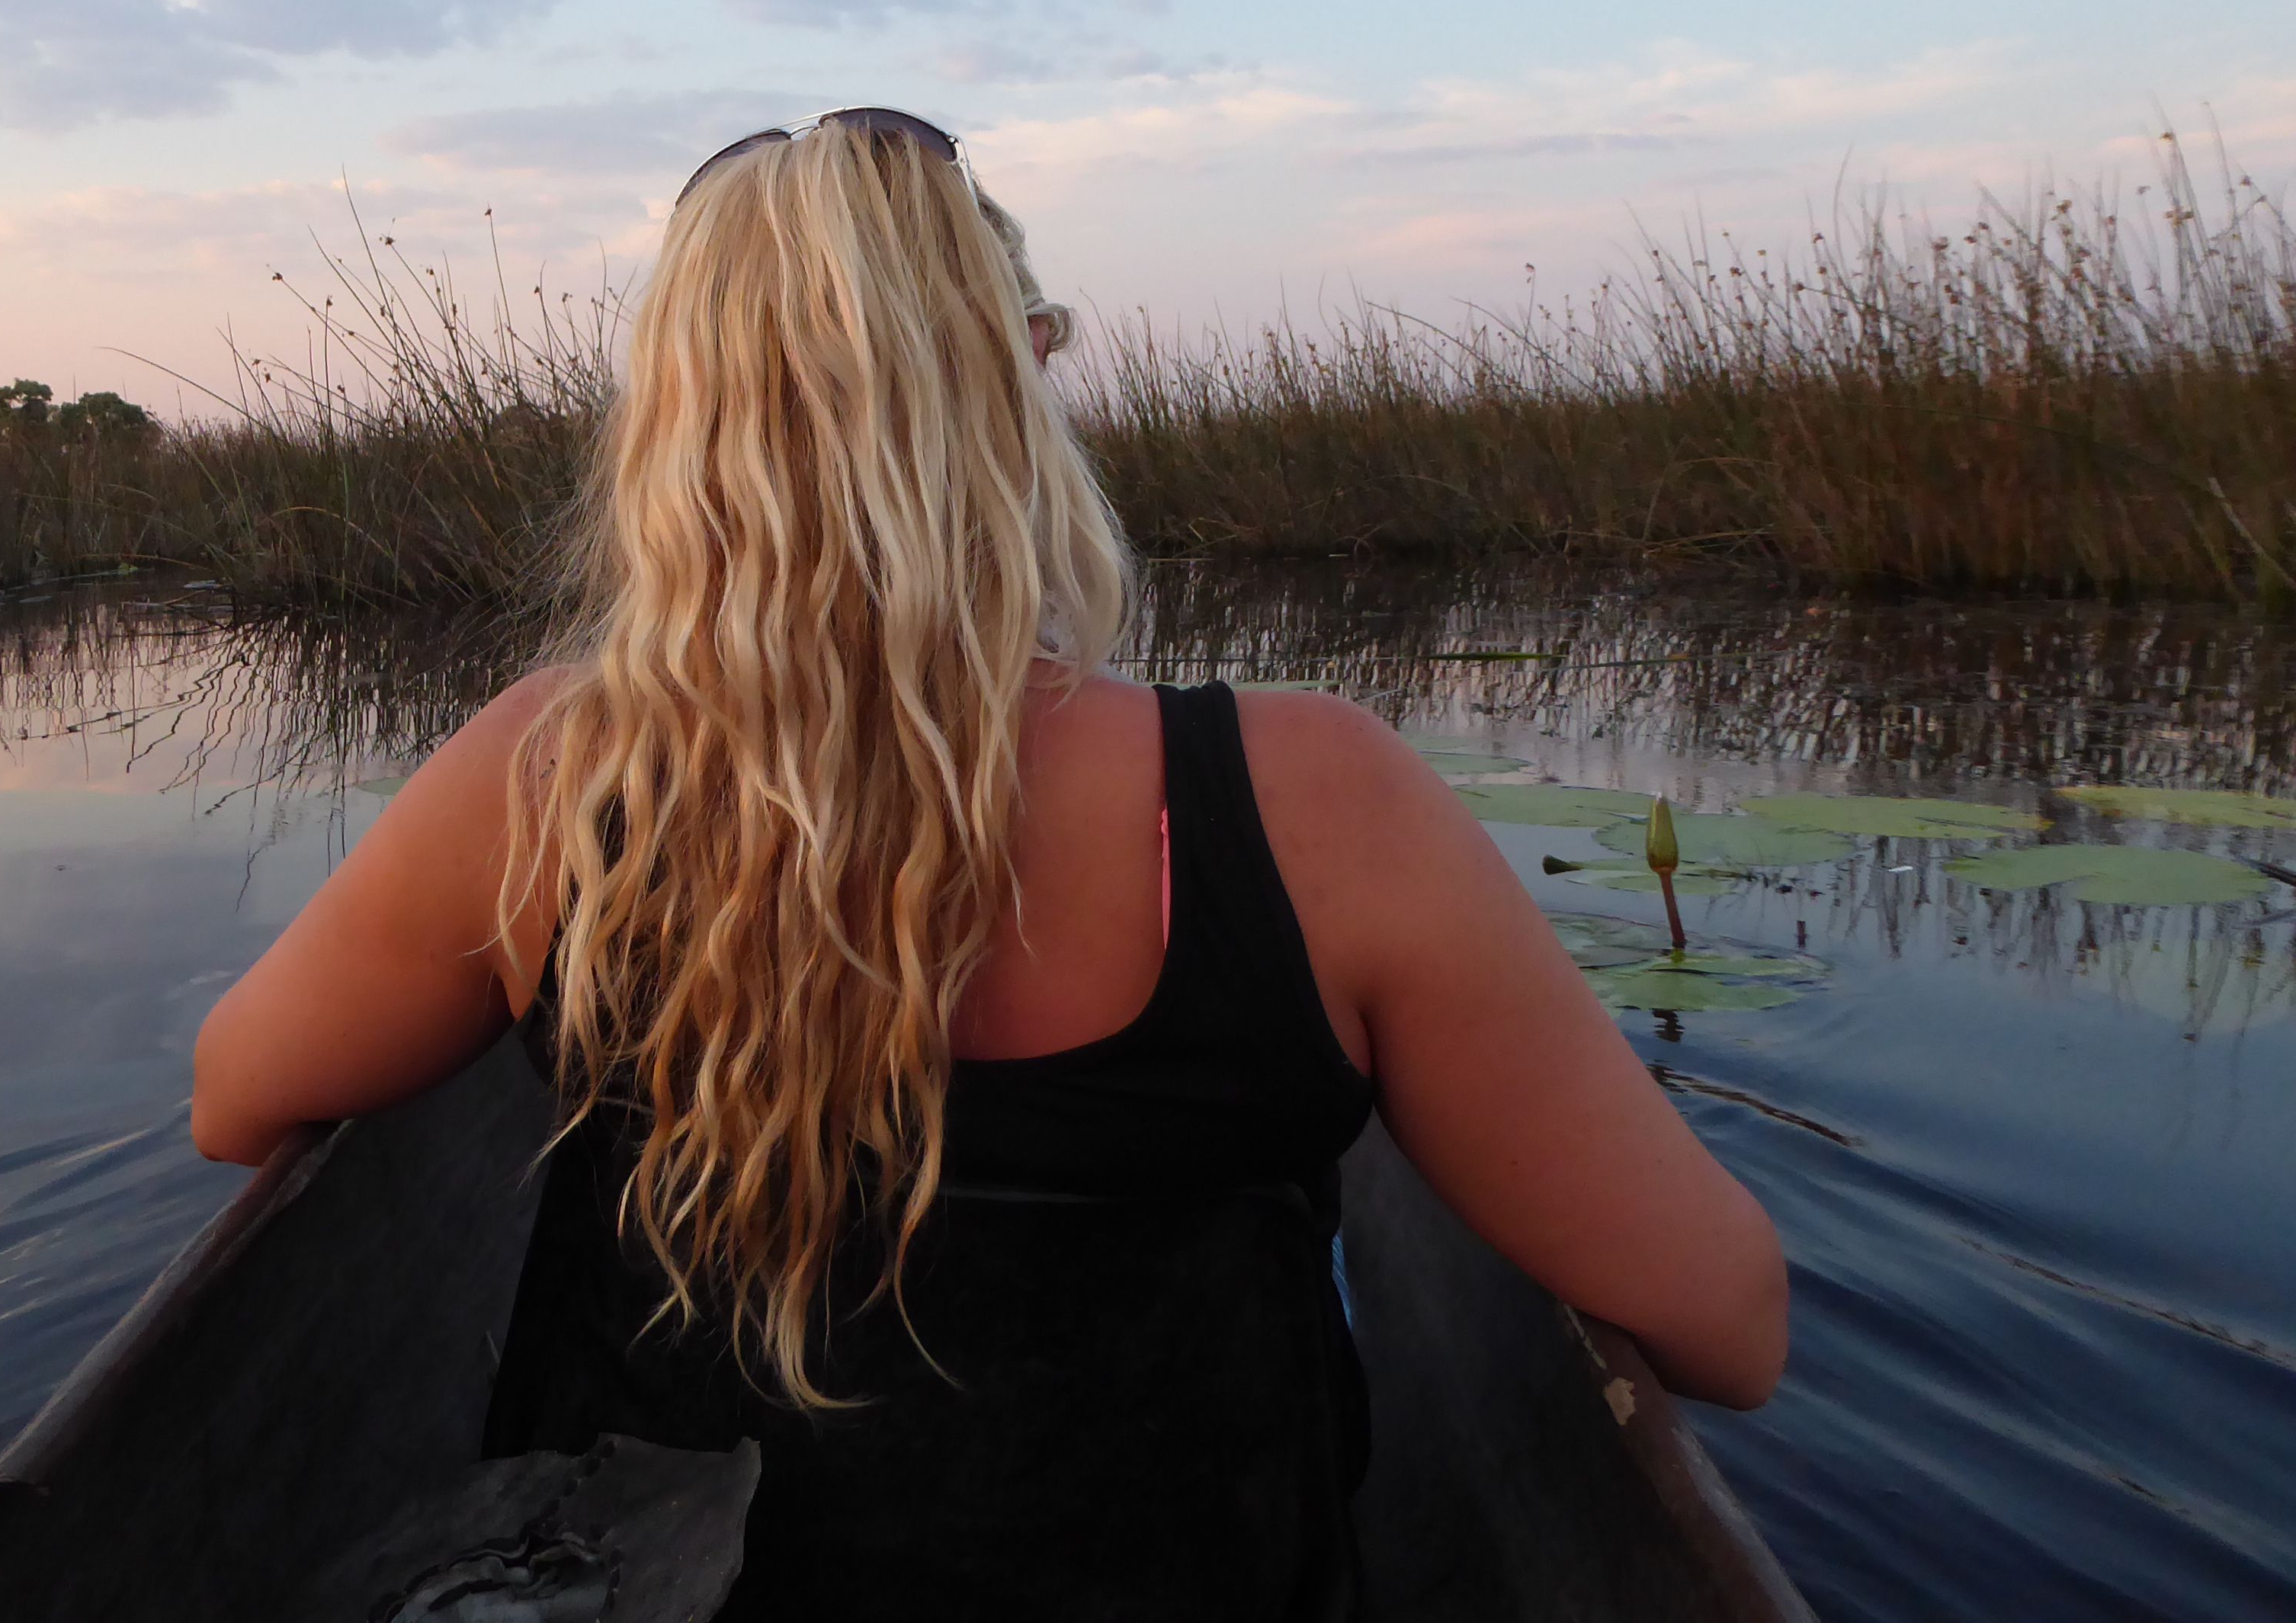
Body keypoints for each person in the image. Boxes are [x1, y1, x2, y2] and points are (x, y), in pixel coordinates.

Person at [191, 111, 1787, 1618]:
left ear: (676, 412)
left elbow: (235, 1103)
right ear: (1021, 372)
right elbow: (1729, 1327)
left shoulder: (547, 778)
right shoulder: (1322, 802)